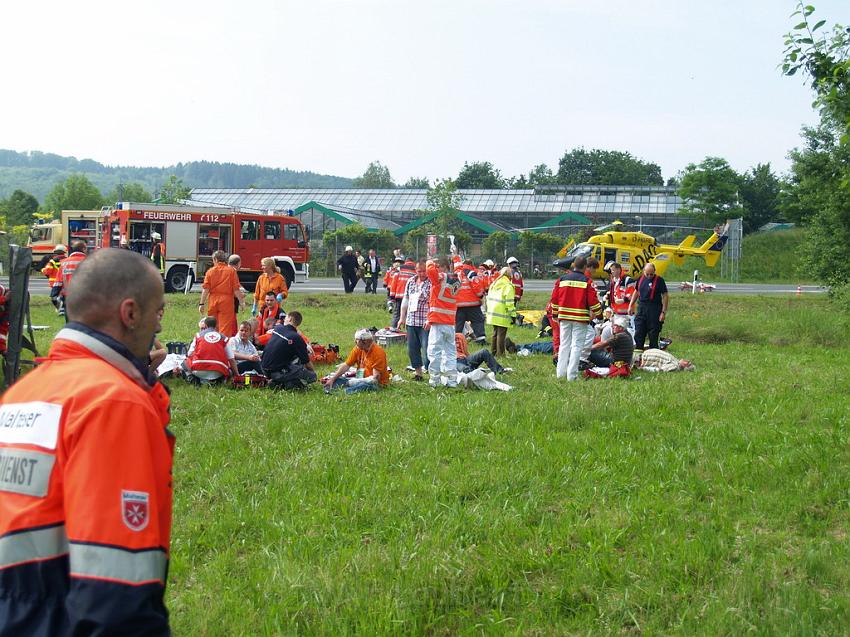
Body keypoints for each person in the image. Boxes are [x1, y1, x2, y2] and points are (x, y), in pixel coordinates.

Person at [0, 248, 173, 634]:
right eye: (157, 311)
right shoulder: (114, 402)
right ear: (130, 313)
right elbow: (116, 586)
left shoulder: (23, 393)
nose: (160, 325)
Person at [550, 255, 602, 381]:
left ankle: (560, 373)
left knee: (564, 345)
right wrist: (599, 313)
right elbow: (593, 302)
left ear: (573, 265)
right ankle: (571, 376)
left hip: (564, 317)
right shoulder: (587, 282)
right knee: (576, 346)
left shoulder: (561, 280)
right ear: (585, 267)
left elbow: (554, 299)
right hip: (580, 318)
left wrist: (555, 314)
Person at [425, 255, 460, 388]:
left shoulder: (440, 278)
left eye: (438, 266)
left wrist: (430, 261)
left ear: (443, 267)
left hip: (438, 321)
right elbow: (460, 268)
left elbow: (430, 271)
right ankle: (452, 381)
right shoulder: (457, 279)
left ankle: (435, 381)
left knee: (434, 352)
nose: (437, 269)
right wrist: (456, 258)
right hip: (450, 322)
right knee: (450, 353)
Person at [322, 328, 390, 394]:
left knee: (364, 386)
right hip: (359, 379)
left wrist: (355, 381)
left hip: (375, 384)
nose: (355, 342)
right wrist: (333, 379)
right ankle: (334, 387)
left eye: (356, 340)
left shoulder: (378, 352)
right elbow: (346, 365)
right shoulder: (357, 349)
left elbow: (375, 379)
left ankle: (343, 392)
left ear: (364, 341)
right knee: (337, 380)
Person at [260, 314, 316, 389]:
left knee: (294, 358)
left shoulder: (278, 328)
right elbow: (307, 363)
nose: (283, 320)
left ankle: (280, 382)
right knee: (312, 376)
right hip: (276, 372)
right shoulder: (297, 338)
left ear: (290, 319)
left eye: (285, 318)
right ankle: (280, 383)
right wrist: (313, 373)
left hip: (262, 367)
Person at [397, 258, 431, 381]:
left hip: (424, 321)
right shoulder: (410, 282)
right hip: (411, 321)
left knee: (427, 348)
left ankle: (430, 370)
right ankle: (418, 373)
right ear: (415, 271)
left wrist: (430, 319)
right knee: (412, 348)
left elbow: (433, 302)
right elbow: (405, 300)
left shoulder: (431, 283)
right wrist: (402, 318)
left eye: (424, 271)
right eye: (419, 271)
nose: (422, 274)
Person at [200, 250, 244, 337]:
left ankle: (212, 343)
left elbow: (205, 289)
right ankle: (222, 346)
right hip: (226, 301)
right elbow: (236, 289)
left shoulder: (210, 271)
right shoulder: (231, 271)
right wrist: (241, 302)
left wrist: (201, 303)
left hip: (213, 300)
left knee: (212, 326)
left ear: (215, 259)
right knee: (225, 327)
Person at [628, 262, 669, 350]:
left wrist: (663, 312)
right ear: (643, 271)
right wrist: (631, 305)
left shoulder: (659, 280)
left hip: (654, 309)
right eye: (647, 274)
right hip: (642, 308)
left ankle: (653, 353)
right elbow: (636, 291)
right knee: (639, 332)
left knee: (653, 334)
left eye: (652, 274)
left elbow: (665, 295)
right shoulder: (640, 279)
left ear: (654, 272)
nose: (650, 276)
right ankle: (638, 353)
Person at [184, 316, 238, 381]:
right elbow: (231, 359)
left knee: (185, 361)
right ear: (216, 326)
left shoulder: (198, 336)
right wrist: (237, 375)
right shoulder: (224, 338)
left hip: (198, 370)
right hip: (219, 372)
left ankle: (191, 378)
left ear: (206, 325)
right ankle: (218, 380)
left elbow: (189, 354)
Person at [485, 266, 516, 356]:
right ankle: (500, 354)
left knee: (495, 333)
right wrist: (513, 315)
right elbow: (509, 303)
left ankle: (493, 352)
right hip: (502, 313)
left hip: (492, 313)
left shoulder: (494, 283)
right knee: (501, 334)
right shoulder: (508, 286)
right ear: (510, 275)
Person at [454, 259, 486, 343]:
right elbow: (477, 286)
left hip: (458, 304)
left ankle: (457, 341)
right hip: (472, 303)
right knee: (478, 321)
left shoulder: (457, 273)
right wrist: (480, 296)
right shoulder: (471, 273)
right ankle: (480, 340)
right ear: (471, 264)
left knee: (459, 323)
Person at [56, 240, 88, 322]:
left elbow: (58, 282)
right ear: (84, 249)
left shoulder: (64, 263)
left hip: (68, 296)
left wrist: (54, 295)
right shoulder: (89, 261)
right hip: (85, 296)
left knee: (69, 320)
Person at [391, 256, 416, 329]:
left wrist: (392, 296)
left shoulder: (399, 269)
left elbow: (394, 283)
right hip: (410, 296)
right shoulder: (416, 269)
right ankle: (408, 332)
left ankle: (394, 329)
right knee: (410, 315)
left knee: (397, 314)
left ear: (406, 261)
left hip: (399, 295)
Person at [41, 244, 66, 313]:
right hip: (65, 282)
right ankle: (62, 308)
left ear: (55, 252)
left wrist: (42, 270)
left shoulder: (52, 261)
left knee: (55, 296)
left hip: (55, 282)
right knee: (63, 296)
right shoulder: (67, 259)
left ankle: (60, 309)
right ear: (64, 252)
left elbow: (48, 271)